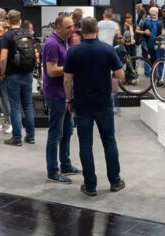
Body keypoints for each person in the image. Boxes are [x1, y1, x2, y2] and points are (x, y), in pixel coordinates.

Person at [64, 17, 125, 196]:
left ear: (81, 31)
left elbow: (67, 80)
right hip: (103, 103)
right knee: (109, 141)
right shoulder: (107, 49)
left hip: (82, 103)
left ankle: (90, 186)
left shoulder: (73, 51)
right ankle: (115, 181)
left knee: (85, 144)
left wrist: (69, 100)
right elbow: (120, 75)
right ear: (97, 30)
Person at [43, 15, 81, 183]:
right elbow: (51, 71)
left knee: (67, 131)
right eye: (68, 27)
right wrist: (71, 67)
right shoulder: (52, 44)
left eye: (72, 26)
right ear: (58, 27)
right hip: (55, 94)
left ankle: (65, 164)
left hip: (64, 93)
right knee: (55, 133)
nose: (72, 30)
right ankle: (52, 171)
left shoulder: (63, 41)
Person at [0, 9, 37, 146]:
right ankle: (30, 136)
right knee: (28, 105)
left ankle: (17, 138)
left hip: (13, 75)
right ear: (20, 20)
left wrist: (2, 73)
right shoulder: (28, 34)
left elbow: (3, 58)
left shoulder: (7, 36)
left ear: (8, 21)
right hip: (27, 74)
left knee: (15, 107)